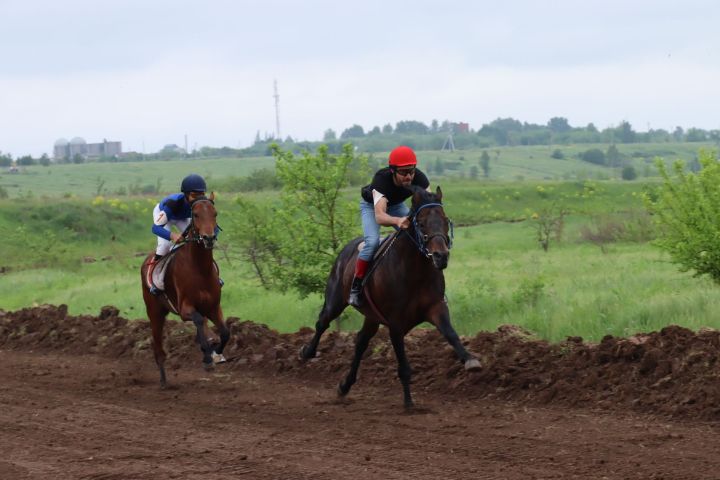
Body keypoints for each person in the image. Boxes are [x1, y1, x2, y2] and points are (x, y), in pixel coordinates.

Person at [348, 146, 430, 307]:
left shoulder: (419, 178)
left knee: (419, 238)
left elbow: (428, 204)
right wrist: (398, 221)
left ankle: (429, 285)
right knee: (372, 242)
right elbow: (380, 217)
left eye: (411, 171)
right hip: (372, 207)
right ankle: (355, 288)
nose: (409, 176)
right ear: (392, 171)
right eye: (404, 172)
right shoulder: (381, 180)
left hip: (397, 204)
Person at [146, 173, 207, 295]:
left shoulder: (202, 205)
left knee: (199, 241)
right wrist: (172, 236)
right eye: (194, 195)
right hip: (166, 215)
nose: (198, 199)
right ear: (185, 195)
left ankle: (208, 275)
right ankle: (152, 279)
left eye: (201, 195)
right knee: (165, 245)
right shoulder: (173, 204)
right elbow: (155, 228)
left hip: (182, 217)